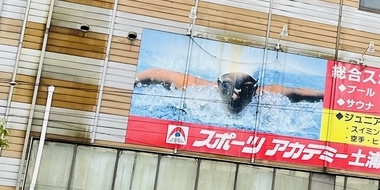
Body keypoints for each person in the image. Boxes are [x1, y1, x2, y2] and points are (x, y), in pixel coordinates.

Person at [134, 67, 323, 115]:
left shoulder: (271, 94)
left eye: (244, 91)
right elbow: (154, 73)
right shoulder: (197, 88)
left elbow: (305, 93)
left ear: (254, 91)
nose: (234, 96)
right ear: (218, 85)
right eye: (229, 88)